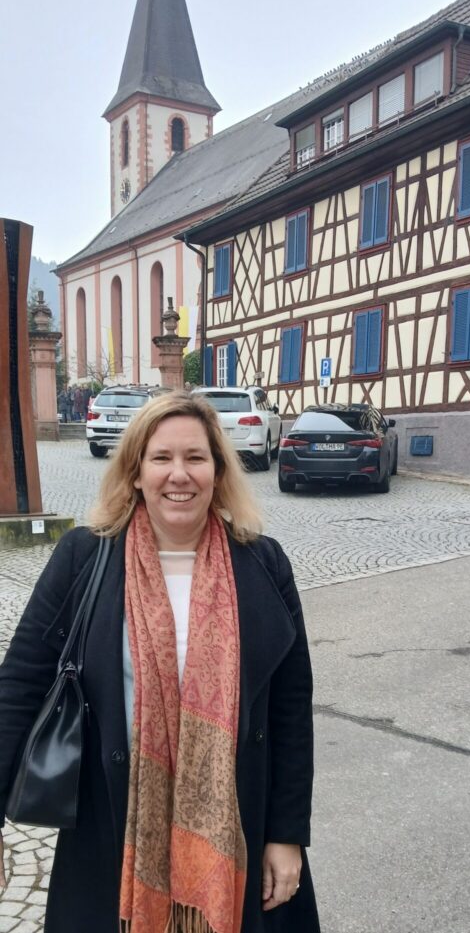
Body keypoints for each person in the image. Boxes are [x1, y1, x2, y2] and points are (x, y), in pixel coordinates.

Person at [0, 391, 320, 933]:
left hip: (239, 824)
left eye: (195, 458)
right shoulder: (84, 557)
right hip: (111, 829)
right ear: (136, 472)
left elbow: (291, 708)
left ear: (218, 470)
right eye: (161, 458)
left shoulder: (262, 564)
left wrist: (286, 835)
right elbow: (20, 685)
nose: (179, 474)